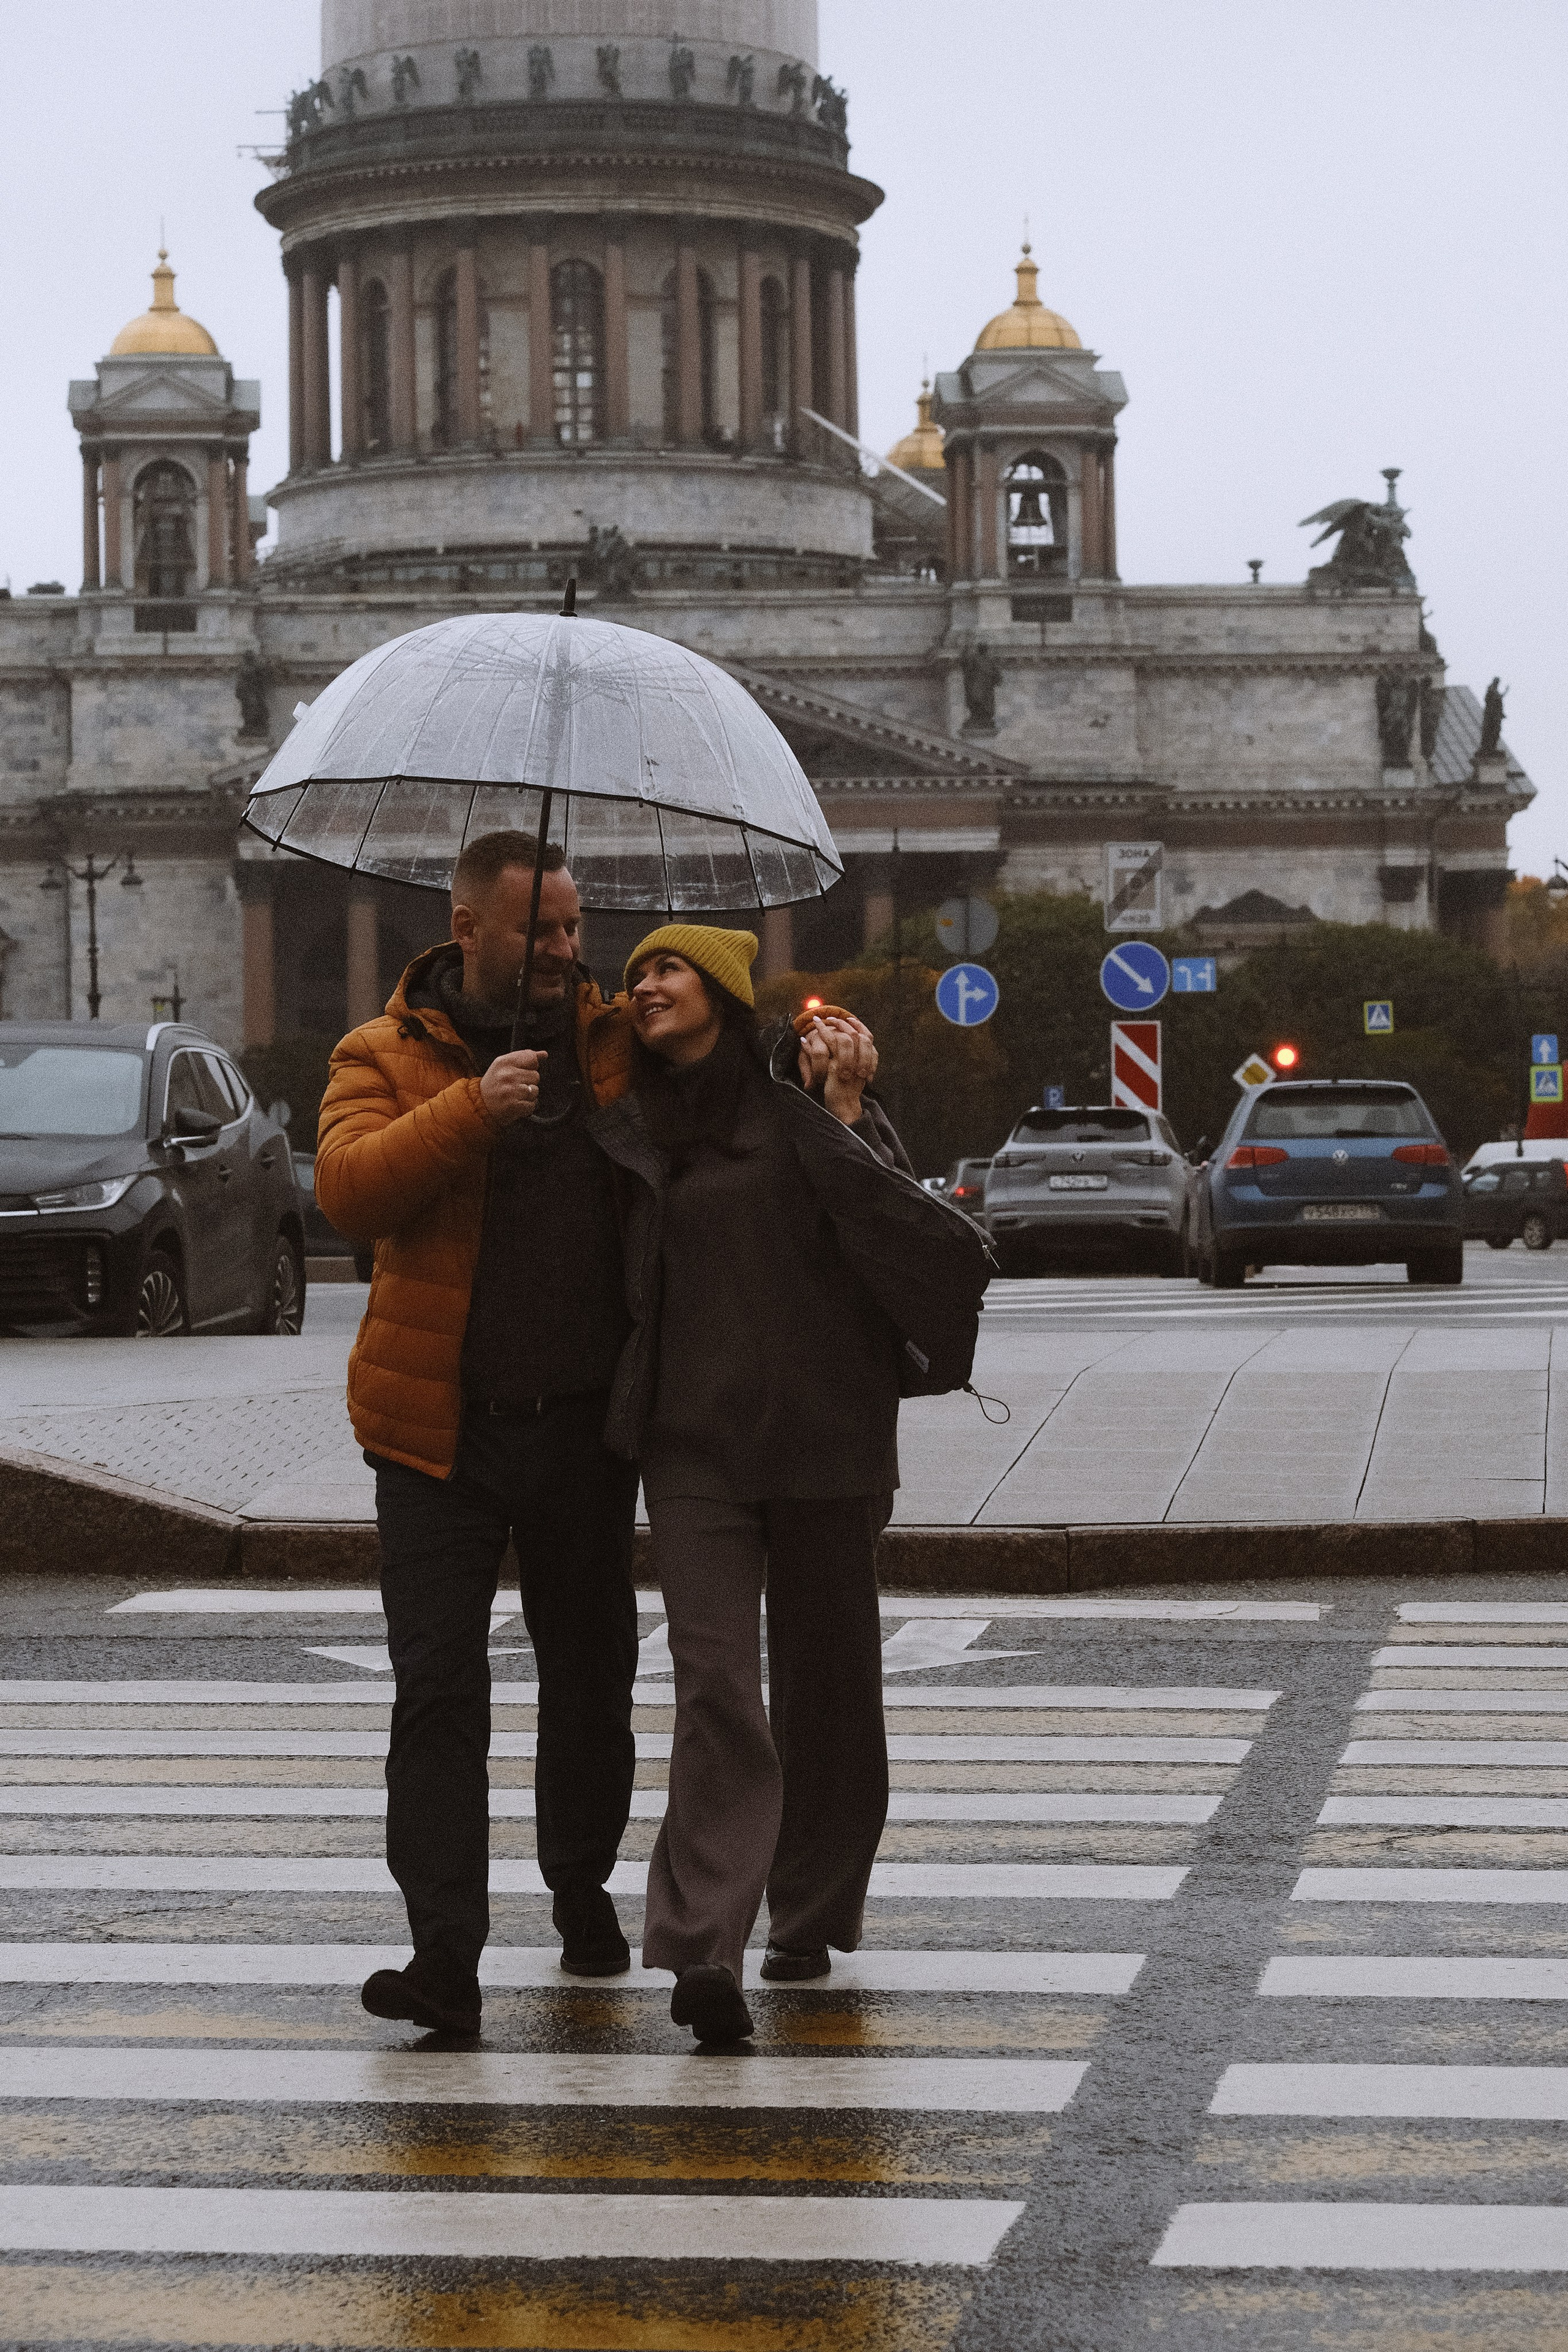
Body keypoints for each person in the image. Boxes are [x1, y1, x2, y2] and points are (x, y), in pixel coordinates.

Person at [589, 924, 987, 2045]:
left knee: (830, 1686)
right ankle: (707, 1944)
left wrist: (850, 1112)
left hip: (824, 1430)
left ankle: (808, 1909)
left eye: (664, 969)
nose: (644, 987)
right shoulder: (627, 1125)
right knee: (716, 1682)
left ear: (720, 991)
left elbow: (899, 1230)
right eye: (634, 978)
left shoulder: (799, 1106)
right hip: (692, 1444)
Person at [314, 830, 641, 2037]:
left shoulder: (614, 1046)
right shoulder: (383, 1052)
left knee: (591, 1675)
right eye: (539, 931)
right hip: (433, 1435)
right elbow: (347, 1190)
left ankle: (581, 1888)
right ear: (468, 929)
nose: (564, 950)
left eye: (571, 927)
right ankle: (444, 1951)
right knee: (438, 1691)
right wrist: (471, 1108)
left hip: (580, 1427)